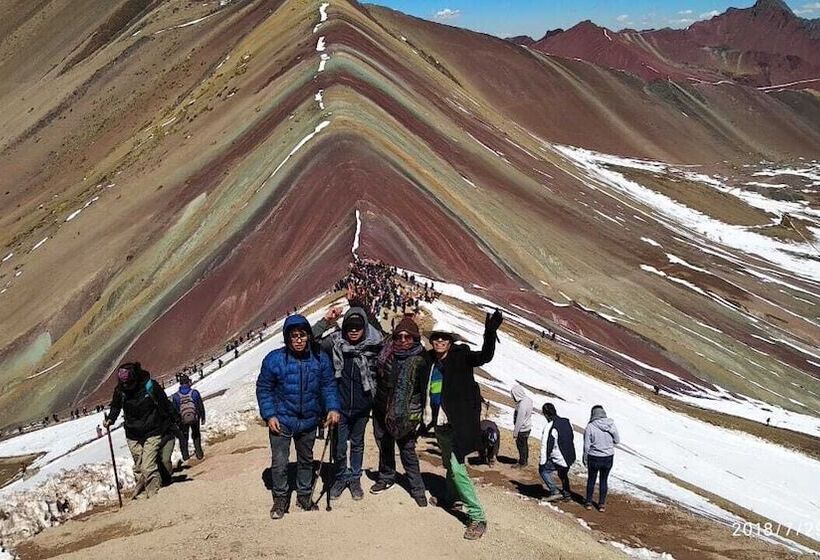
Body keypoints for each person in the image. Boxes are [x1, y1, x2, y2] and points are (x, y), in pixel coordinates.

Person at [425, 309, 503, 540]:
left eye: (444, 337)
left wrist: (489, 333)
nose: (440, 341)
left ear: (451, 341)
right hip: (439, 424)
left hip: (457, 424)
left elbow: (485, 356)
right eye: (436, 337)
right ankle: (450, 498)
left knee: (458, 470)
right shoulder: (429, 360)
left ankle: (478, 517)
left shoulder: (461, 356)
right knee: (449, 464)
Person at [256, 314, 341, 520]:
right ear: (287, 338)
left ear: (308, 336)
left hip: (309, 419)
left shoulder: (320, 359)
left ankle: (304, 495)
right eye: (293, 335)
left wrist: (332, 407)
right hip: (282, 419)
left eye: (302, 335)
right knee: (280, 461)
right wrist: (269, 415)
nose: (298, 339)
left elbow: (328, 385)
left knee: (306, 460)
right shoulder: (274, 359)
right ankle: (280, 498)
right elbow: (264, 388)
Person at [313, 306, 383, 501]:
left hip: (362, 406)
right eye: (349, 326)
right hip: (339, 407)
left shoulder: (373, 345)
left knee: (358, 444)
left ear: (365, 327)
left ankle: (355, 478)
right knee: (339, 446)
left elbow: (391, 344)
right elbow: (311, 341)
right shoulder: (334, 344)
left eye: (358, 326)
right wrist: (326, 321)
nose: (353, 330)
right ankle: (341, 477)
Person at [371, 316, 430, 506]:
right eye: (399, 337)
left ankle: (417, 489)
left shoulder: (422, 360)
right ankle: (386, 476)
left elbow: (425, 391)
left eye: (407, 337)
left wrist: (421, 417)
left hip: (405, 414)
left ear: (415, 338)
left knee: (407, 451)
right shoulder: (387, 353)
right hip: (381, 408)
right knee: (384, 444)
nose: (403, 340)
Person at [103, 362, 179, 499]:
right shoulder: (120, 391)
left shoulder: (149, 386)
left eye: (128, 383)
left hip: (153, 430)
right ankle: (145, 494)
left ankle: (155, 496)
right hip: (132, 433)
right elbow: (115, 407)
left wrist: (175, 419)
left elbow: (164, 403)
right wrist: (110, 419)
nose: (126, 386)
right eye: (123, 383)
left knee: (148, 466)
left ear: (134, 377)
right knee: (139, 467)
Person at [583, 405, 620, 512]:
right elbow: (617, 440)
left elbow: (586, 445)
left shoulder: (590, 426)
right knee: (604, 480)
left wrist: (585, 458)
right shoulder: (611, 424)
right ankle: (601, 504)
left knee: (591, 479)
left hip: (594, 456)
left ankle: (589, 502)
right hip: (608, 456)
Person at [539, 403, 575, 502]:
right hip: (570, 456)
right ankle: (567, 494)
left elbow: (546, 445)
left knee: (543, 470)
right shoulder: (567, 422)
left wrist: (542, 461)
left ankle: (554, 491)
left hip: (559, 457)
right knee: (563, 473)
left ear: (546, 414)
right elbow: (571, 437)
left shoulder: (550, 426)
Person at [173, 374, 206, 460]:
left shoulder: (176, 396)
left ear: (180, 383)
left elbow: (175, 410)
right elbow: (200, 405)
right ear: (188, 382)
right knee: (196, 434)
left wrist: (177, 421)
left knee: (184, 437)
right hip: (195, 417)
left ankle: (185, 456)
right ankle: (199, 453)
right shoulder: (194, 392)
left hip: (182, 419)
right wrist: (202, 417)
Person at [511, 384, 532, 468]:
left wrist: (515, 433)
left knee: (521, 446)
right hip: (528, 427)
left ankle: (522, 462)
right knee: (524, 445)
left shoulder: (522, 405)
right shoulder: (528, 400)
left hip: (522, 429)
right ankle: (525, 460)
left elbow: (519, 420)